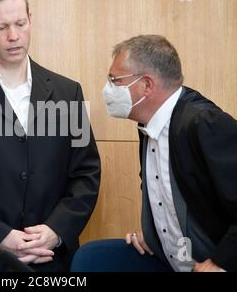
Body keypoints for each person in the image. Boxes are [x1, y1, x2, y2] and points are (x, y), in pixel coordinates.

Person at [71, 34, 237, 272]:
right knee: (91, 259)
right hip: (168, 258)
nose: (107, 90)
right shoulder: (149, 124)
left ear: (146, 85)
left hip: (208, 264)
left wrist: (221, 262)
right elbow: (167, 192)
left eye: (114, 80)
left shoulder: (203, 123)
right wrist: (154, 231)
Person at [0, 0, 101, 271]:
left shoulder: (69, 91)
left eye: (20, 23)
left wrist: (56, 231)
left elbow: (86, 173)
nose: (14, 36)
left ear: (31, 19)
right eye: (1, 27)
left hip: (53, 261)